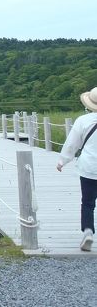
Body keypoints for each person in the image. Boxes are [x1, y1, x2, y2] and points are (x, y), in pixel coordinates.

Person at [56, 87, 97, 251]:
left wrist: (62, 161)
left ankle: (88, 232)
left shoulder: (83, 120)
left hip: (88, 168)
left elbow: (72, 144)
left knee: (88, 202)